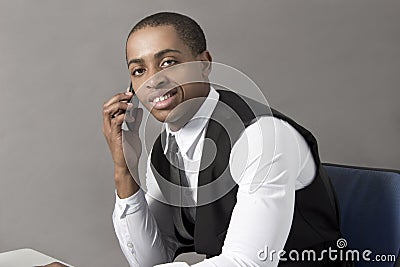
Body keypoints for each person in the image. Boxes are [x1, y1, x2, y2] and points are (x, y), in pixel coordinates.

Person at [102, 12, 351, 267]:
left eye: (167, 62)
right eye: (139, 70)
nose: (153, 80)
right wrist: (124, 170)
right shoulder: (166, 148)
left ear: (204, 63)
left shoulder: (262, 137)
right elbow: (151, 260)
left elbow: (247, 263)